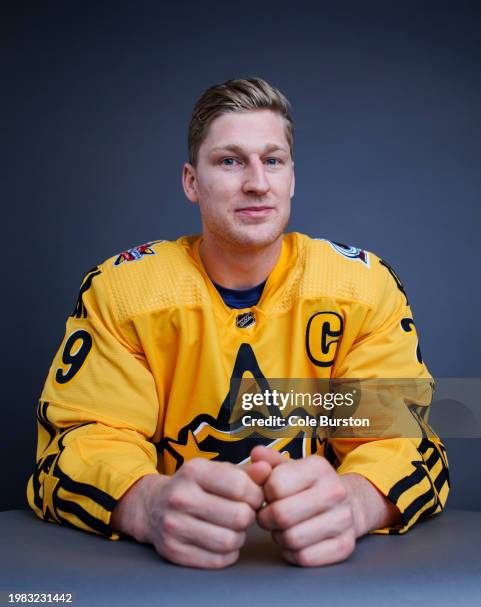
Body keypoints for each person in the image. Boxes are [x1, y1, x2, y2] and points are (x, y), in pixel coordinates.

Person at [28, 78, 449, 569]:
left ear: (292, 178)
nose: (256, 181)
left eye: (272, 160)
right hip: (167, 579)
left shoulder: (361, 288)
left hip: (323, 581)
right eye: (230, 161)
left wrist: (355, 502)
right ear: (191, 181)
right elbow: (77, 444)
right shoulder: (124, 292)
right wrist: (146, 504)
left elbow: (409, 442)